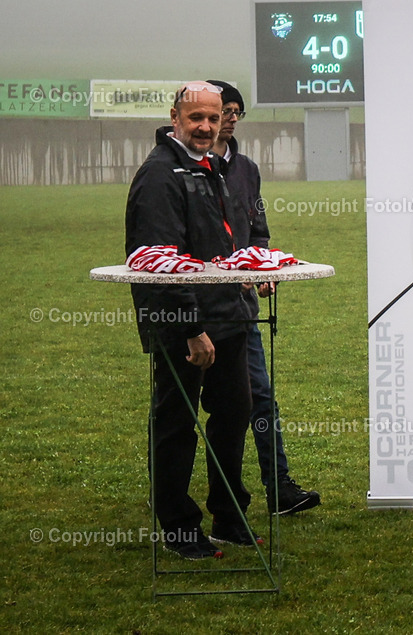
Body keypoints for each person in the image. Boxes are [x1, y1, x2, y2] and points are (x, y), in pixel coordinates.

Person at [125, 82, 255, 559]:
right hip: (185, 324)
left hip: (229, 317)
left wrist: (255, 270)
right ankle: (179, 528)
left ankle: (228, 513)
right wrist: (189, 328)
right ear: (175, 116)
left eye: (213, 118)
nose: (205, 126)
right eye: (195, 117)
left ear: (224, 120)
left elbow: (229, 240)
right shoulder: (160, 174)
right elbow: (157, 259)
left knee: (234, 416)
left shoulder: (214, 168)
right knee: (177, 424)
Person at [207, 79, 321, 515]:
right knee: (178, 405)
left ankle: (279, 489)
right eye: (224, 111)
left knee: (260, 397)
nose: (231, 120)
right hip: (192, 308)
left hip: (241, 309)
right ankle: (170, 495)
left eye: (236, 112)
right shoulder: (178, 168)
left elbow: (258, 230)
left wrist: (263, 269)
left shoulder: (247, 169)